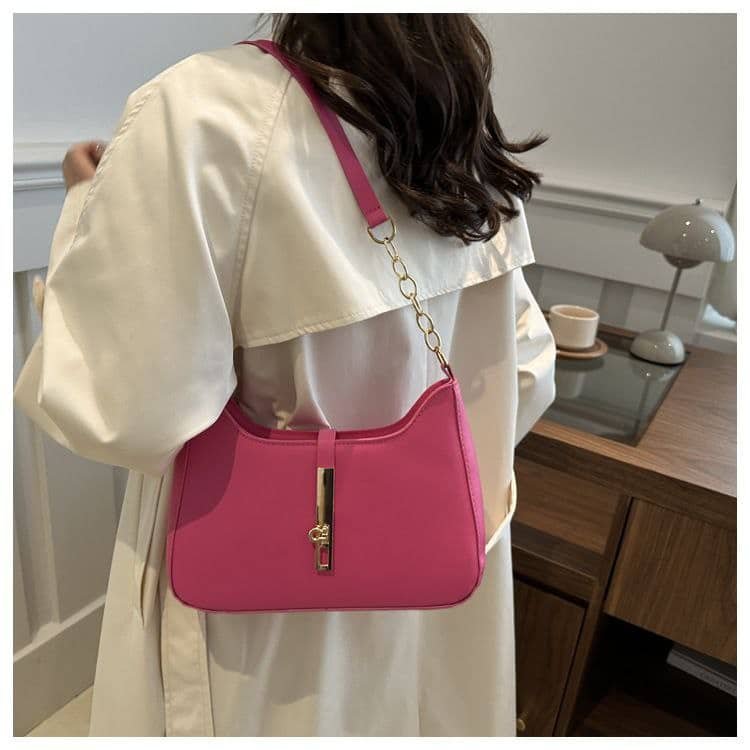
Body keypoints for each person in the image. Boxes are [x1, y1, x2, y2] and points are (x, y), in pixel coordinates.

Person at [14, 13, 555, 737]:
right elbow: (525, 370)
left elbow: (123, 408)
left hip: (258, 626)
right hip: (436, 585)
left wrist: (88, 199)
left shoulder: (202, 111)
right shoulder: (460, 122)